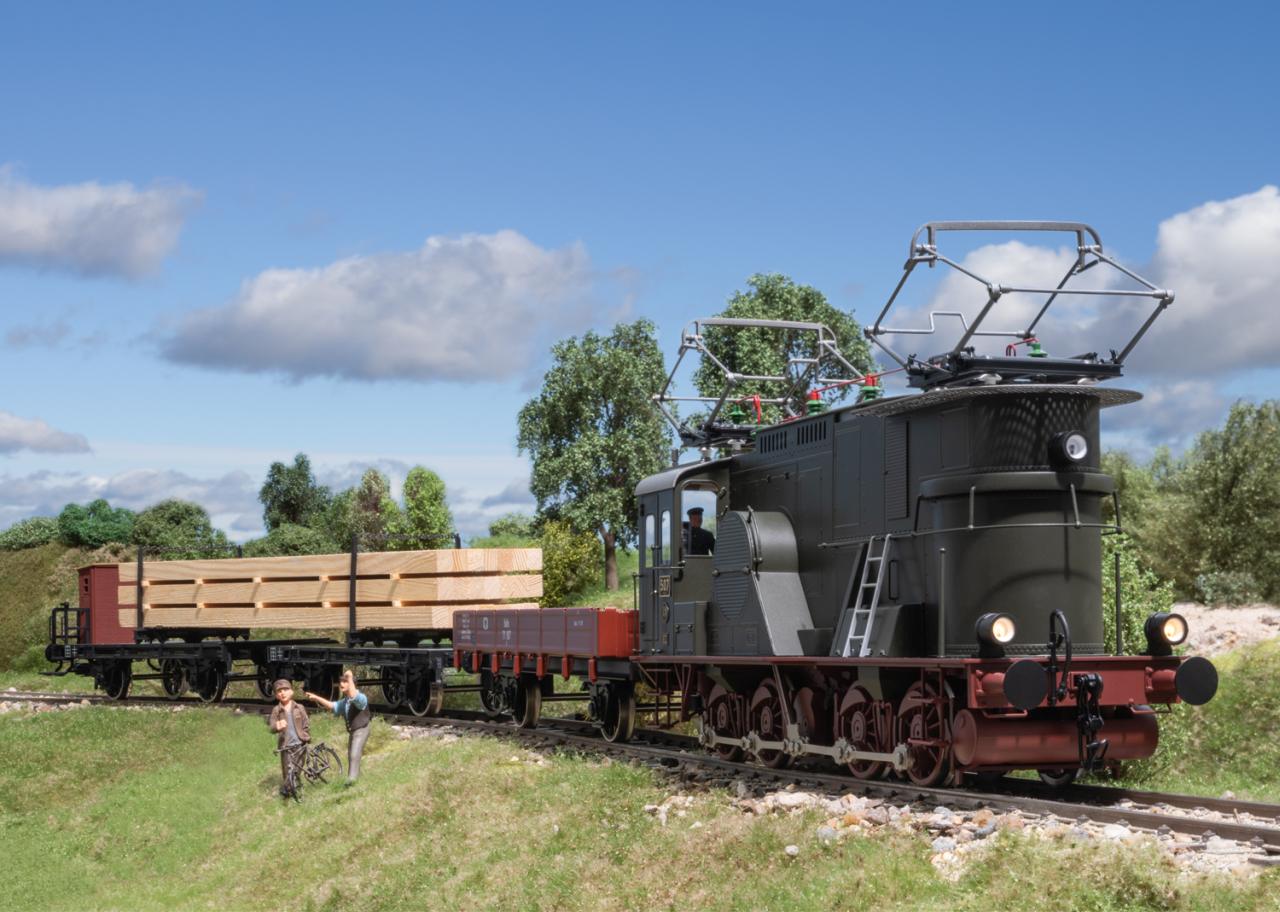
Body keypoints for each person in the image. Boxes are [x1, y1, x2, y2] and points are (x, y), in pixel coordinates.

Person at [306, 670, 371, 784]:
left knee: (354, 754)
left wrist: (350, 677)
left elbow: (355, 697)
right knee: (351, 754)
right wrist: (316, 698)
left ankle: (352, 779)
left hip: (361, 729)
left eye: (345, 682)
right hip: (353, 730)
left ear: (352, 684)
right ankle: (354, 778)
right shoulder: (345, 701)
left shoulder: (361, 698)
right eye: (341, 681)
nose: (341, 684)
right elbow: (333, 706)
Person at [267, 679, 310, 798]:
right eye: (279, 691)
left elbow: (306, 723)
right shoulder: (276, 710)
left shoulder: (299, 707)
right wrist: (277, 726)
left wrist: (305, 736)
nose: (283, 693)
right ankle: (287, 791)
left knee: (299, 766)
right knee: (287, 769)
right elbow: (271, 727)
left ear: (291, 691)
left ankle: (294, 786)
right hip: (286, 746)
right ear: (276, 695)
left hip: (300, 744)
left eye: (285, 690)